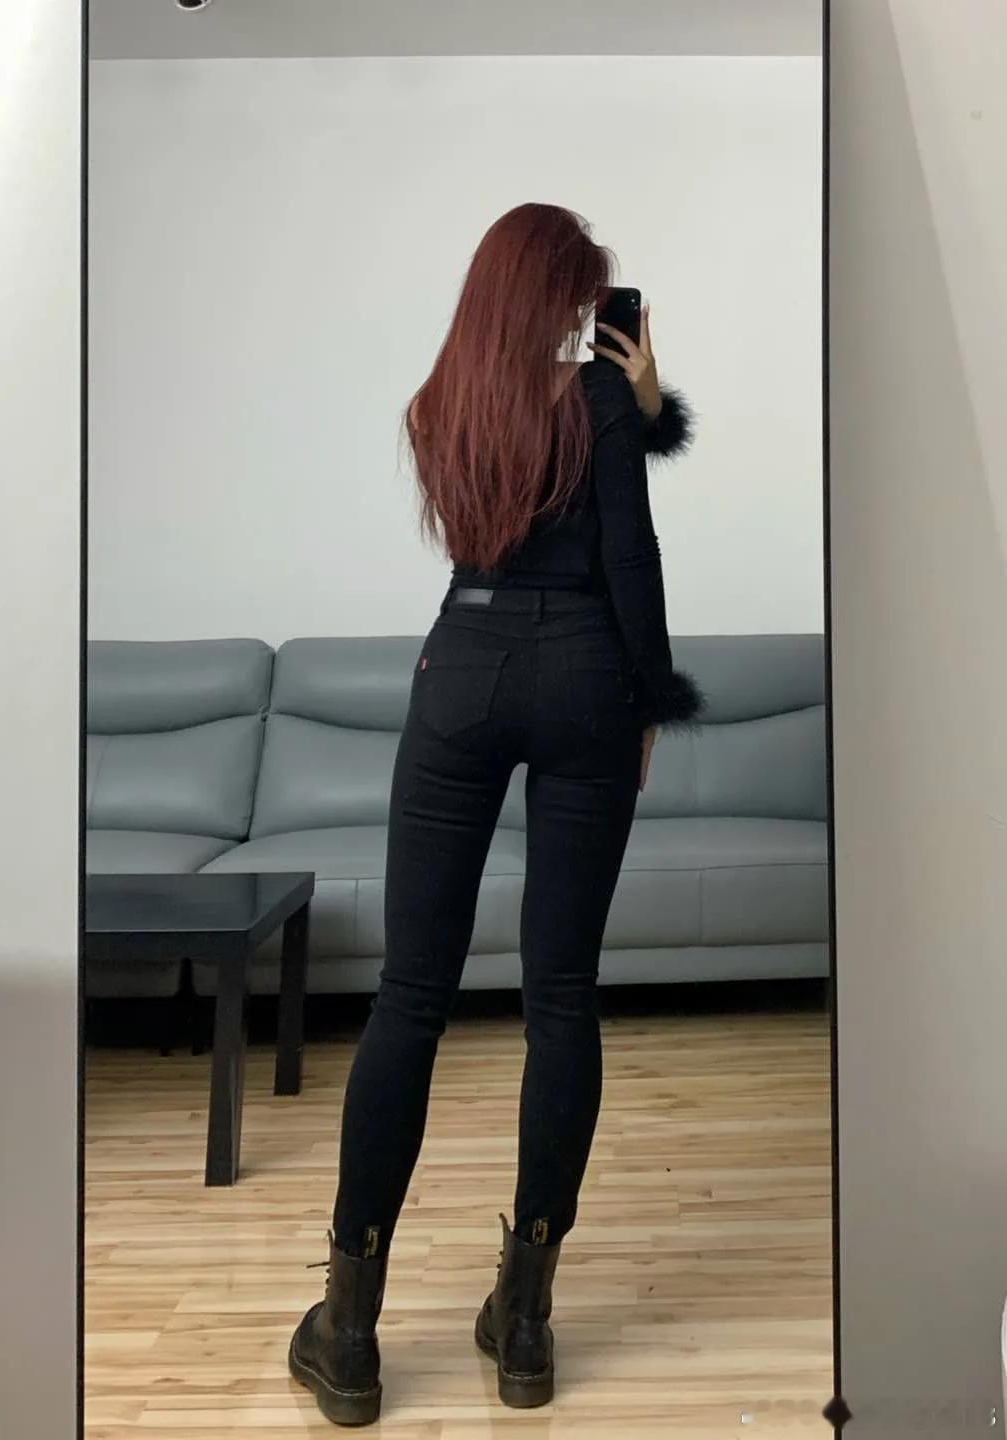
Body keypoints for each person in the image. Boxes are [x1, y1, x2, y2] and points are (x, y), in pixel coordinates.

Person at [288, 202, 702, 1425]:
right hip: (584, 677)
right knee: (560, 997)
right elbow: (629, 556)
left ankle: (349, 1335)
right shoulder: (599, 399)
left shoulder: (442, 404)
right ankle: (523, 1325)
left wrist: (638, 408)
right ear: (558, 298)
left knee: (410, 996)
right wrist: (649, 698)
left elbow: (499, 524)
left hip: (461, 669)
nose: (587, 317)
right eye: (579, 297)